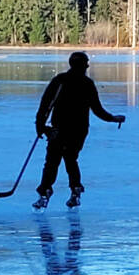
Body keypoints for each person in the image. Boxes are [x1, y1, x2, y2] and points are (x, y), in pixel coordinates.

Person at [33, 51, 126, 209]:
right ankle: (75, 190)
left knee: (52, 162)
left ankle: (45, 192)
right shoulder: (86, 84)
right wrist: (113, 118)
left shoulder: (60, 80)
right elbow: (97, 110)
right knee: (71, 159)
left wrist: (40, 126)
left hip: (58, 130)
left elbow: (45, 104)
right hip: (78, 131)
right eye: (86, 63)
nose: (88, 66)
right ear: (82, 65)